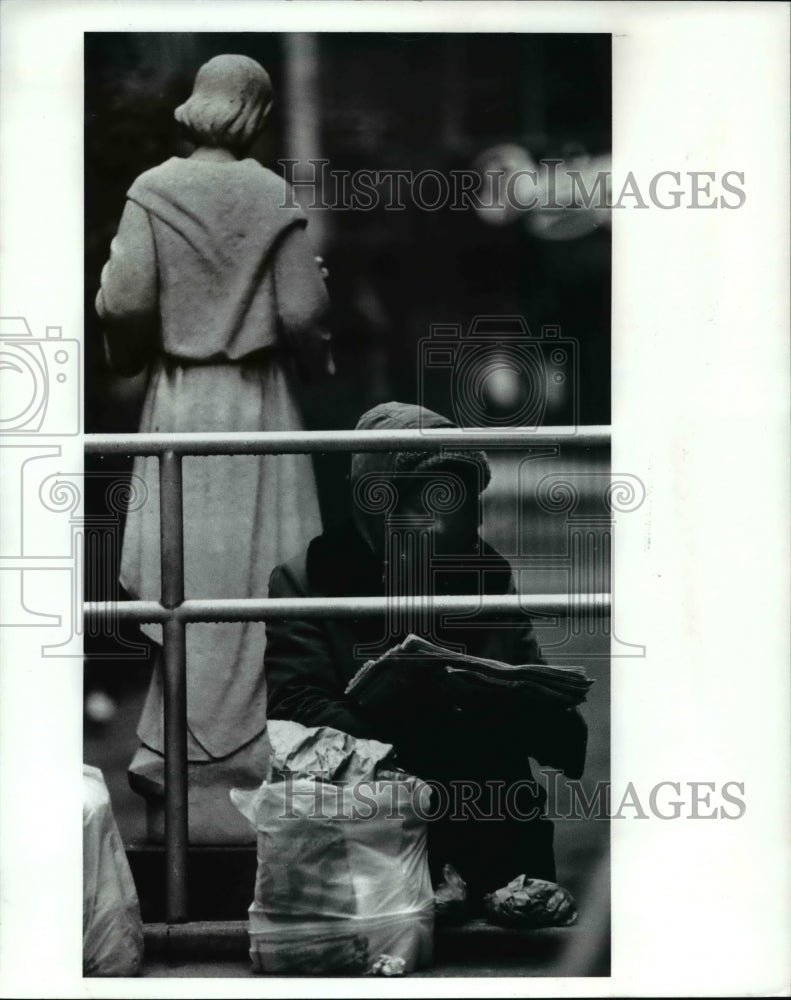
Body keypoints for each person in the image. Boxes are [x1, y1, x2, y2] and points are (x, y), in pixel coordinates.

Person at [95, 55, 333, 838]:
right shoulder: (270, 194)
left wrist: (129, 341)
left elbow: (125, 303)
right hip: (257, 411)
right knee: (260, 590)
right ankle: (248, 770)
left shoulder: (153, 193)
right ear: (255, 114)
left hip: (181, 409)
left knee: (181, 588)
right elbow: (301, 314)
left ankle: (178, 767)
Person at [265, 401, 587, 922]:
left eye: (465, 499)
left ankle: (507, 893)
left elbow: (530, 683)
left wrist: (540, 709)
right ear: (382, 500)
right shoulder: (308, 579)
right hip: (374, 813)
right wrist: (412, 723)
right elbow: (296, 706)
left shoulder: (486, 572)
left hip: (488, 808)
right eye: (438, 497)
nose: (466, 518)